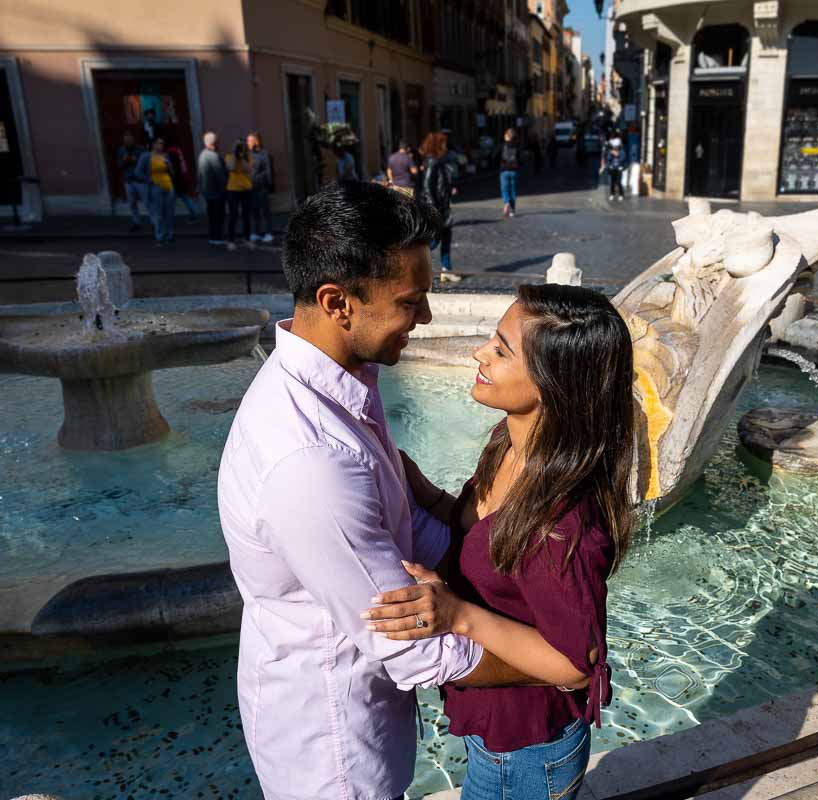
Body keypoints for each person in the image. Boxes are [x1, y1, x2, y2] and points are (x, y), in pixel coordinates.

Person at [217, 181, 553, 800]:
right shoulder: (311, 461)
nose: (424, 317)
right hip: (336, 754)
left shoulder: (342, 376)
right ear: (337, 301)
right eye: (410, 301)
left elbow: (405, 532)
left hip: (357, 715)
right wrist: (550, 671)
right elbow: (414, 652)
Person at [363, 282, 635, 800]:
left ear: (555, 383)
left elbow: (576, 666)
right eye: (492, 338)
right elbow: (477, 528)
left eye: (501, 349)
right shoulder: (508, 446)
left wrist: (457, 616)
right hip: (503, 736)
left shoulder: (561, 524)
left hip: (529, 753)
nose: (478, 353)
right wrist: (417, 488)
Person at [418, 132, 460, 283]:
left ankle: (447, 269)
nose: (446, 147)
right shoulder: (432, 162)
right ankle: (416, 266)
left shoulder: (439, 161)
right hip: (437, 207)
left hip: (443, 205)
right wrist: (434, 209)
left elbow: (440, 183)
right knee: (433, 240)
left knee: (447, 237)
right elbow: (428, 187)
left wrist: (449, 189)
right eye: (444, 144)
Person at [136, 137, 176, 244]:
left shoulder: (165, 155)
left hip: (168, 186)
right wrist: (149, 180)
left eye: (162, 143)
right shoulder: (146, 156)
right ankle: (160, 236)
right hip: (155, 187)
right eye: (159, 143)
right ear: (153, 144)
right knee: (158, 213)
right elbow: (138, 172)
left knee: (170, 212)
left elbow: (172, 173)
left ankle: (170, 234)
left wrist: (168, 165)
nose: (161, 145)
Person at [197, 131, 228, 246]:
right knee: (218, 215)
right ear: (213, 143)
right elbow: (220, 174)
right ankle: (218, 237)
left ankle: (213, 237)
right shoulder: (213, 156)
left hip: (207, 192)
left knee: (212, 216)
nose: (219, 143)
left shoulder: (202, 155)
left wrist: (200, 188)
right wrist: (226, 187)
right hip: (217, 191)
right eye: (217, 141)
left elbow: (199, 174)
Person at [224, 140, 254, 248]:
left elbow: (248, 169)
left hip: (246, 189)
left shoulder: (248, 157)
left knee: (246, 215)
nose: (240, 149)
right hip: (233, 189)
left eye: (242, 147)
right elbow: (231, 167)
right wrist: (235, 155)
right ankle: (231, 241)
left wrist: (242, 157)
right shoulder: (229, 157)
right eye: (239, 147)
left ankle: (247, 238)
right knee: (233, 215)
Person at [116, 131, 147, 232]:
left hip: (140, 180)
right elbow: (119, 166)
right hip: (128, 181)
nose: (128, 140)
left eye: (129, 138)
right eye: (126, 138)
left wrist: (136, 160)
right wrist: (125, 161)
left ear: (133, 139)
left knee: (147, 201)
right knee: (132, 203)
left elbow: (146, 164)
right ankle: (136, 222)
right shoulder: (121, 150)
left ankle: (156, 221)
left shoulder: (141, 149)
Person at [247, 132, 274, 242]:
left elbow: (269, 172)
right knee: (254, 211)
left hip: (262, 188)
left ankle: (268, 233)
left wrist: (270, 186)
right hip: (250, 188)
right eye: (247, 141)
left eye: (250, 141)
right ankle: (255, 232)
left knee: (265, 211)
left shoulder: (264, 154)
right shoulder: (248, 155)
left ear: (256, 141)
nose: (248, 143)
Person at [165, 143, 199, 225]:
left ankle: (194, 215)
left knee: (172, 200)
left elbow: (173, 168)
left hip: (177, 180)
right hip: (182, 178)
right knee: (185, 198)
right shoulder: (177, 150)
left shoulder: (171, 153)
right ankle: (194, 214)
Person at [499, 128, 520, 218]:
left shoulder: (502, 145)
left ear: (507, 136)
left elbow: (496, 155)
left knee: (505, 189)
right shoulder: (517, 146)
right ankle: (512, 211)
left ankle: (506, 203)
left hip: (504, 170)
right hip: (514, 171)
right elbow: (520, 158)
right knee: (513, 191)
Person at [602, 137, 628, 202]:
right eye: (614, 146)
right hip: (612, 168)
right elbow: (608, 159)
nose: (615, 148)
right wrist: (608, 166)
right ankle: (612, 194)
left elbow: (623, 158)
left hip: (619, 168)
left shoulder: (622, 151)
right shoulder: (611, 151)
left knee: (619, 182)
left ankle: (621, 194)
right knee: (612, 182)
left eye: (616, 146)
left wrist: (617, 155)